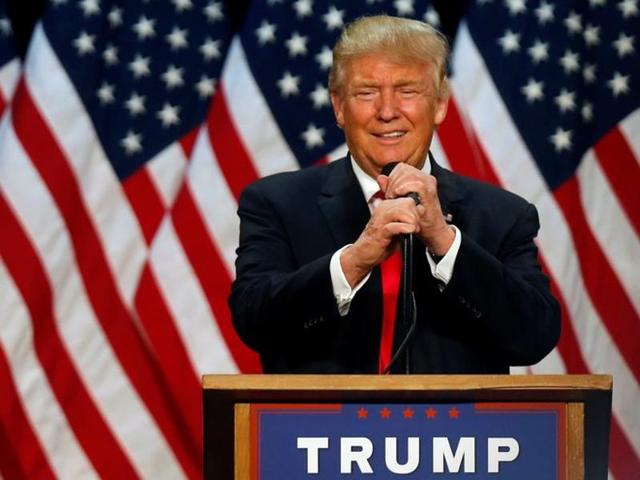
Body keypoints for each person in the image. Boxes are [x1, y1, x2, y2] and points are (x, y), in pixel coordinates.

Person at [229, 15, 560, 374]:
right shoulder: (277, 203)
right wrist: (354, 261)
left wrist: (445, 243)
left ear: (439, 104)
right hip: (321, 427)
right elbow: (254, 322)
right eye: (366, 92)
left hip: (453, 428)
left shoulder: (502, 215)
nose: (387, 112)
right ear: (339, 107)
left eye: (407, 91)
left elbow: (534, 337)